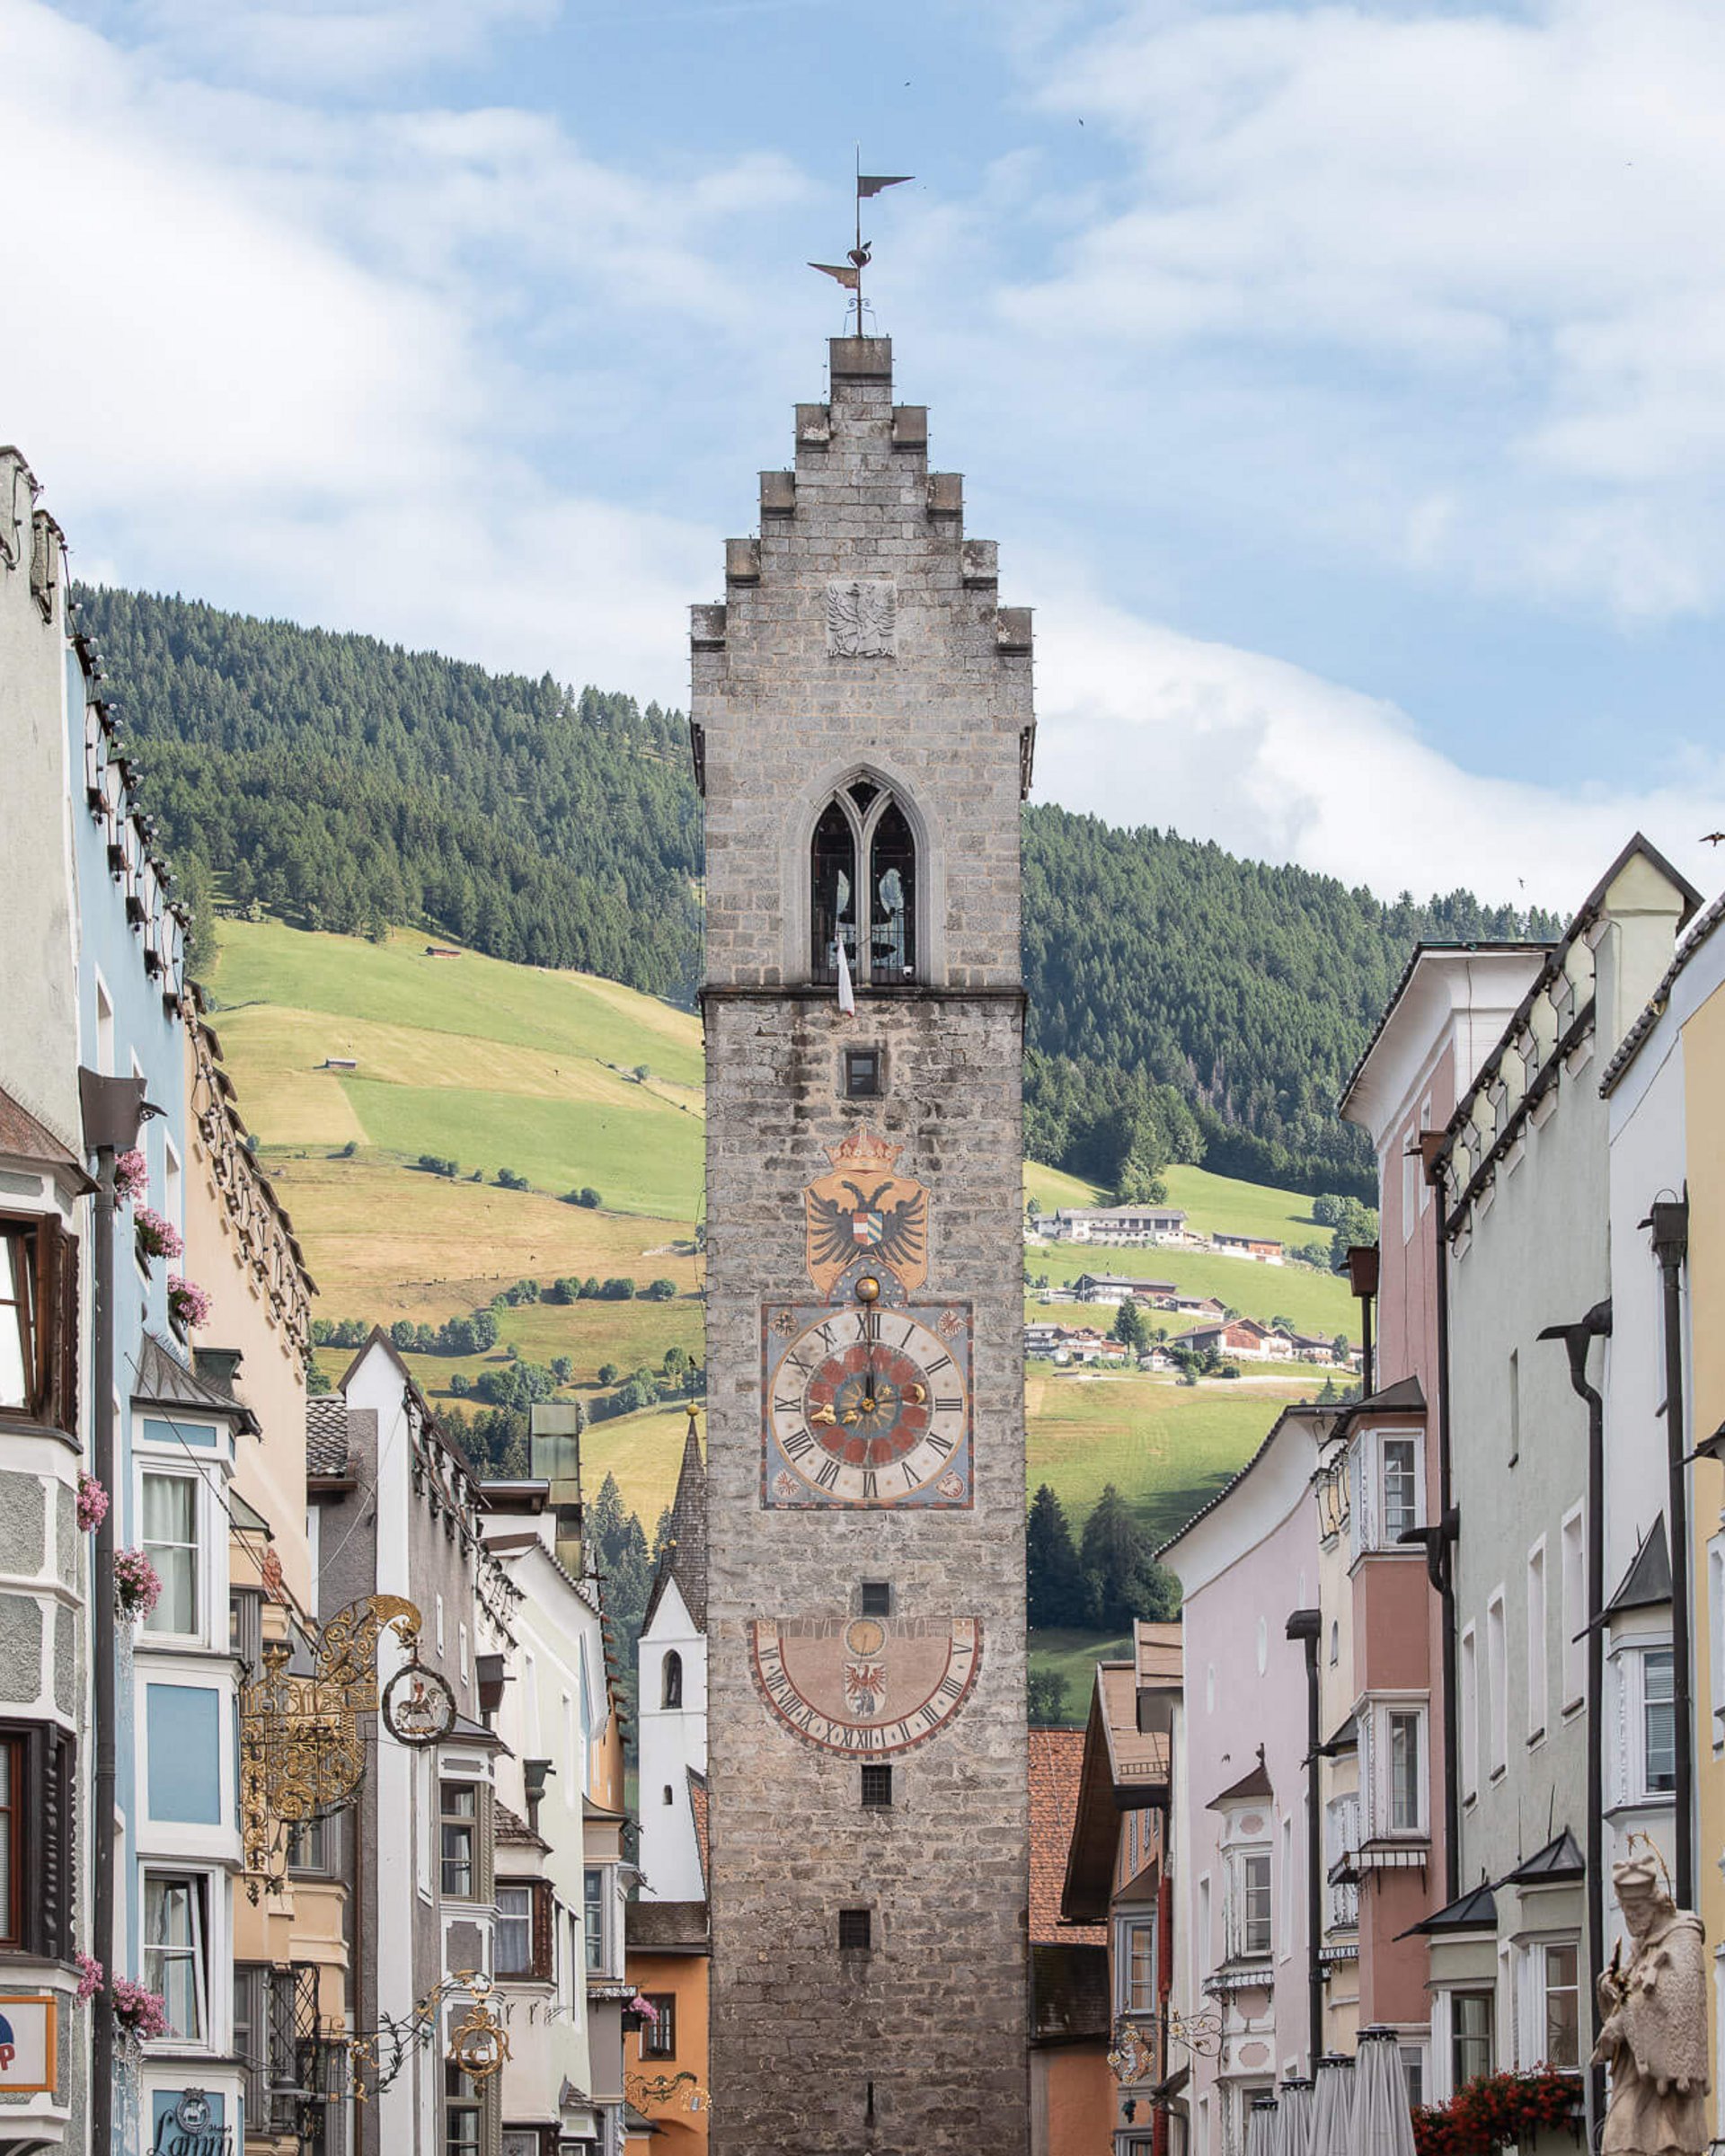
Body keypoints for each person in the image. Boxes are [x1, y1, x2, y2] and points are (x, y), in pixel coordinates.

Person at [1595, 1853, 1710, 2156]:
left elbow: (1679, 1998)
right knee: (1619, 2139)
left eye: (1636, 1910)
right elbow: (1631, 1988)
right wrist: (1609, 1985)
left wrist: (1622, 2020)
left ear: (1654, 1901)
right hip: (1634, 2072)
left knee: (1663, 2144)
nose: (1631, 1919)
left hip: (1668, 2088)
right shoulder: (1641, 1944)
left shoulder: (1684, 1936)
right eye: (1626, 1911)